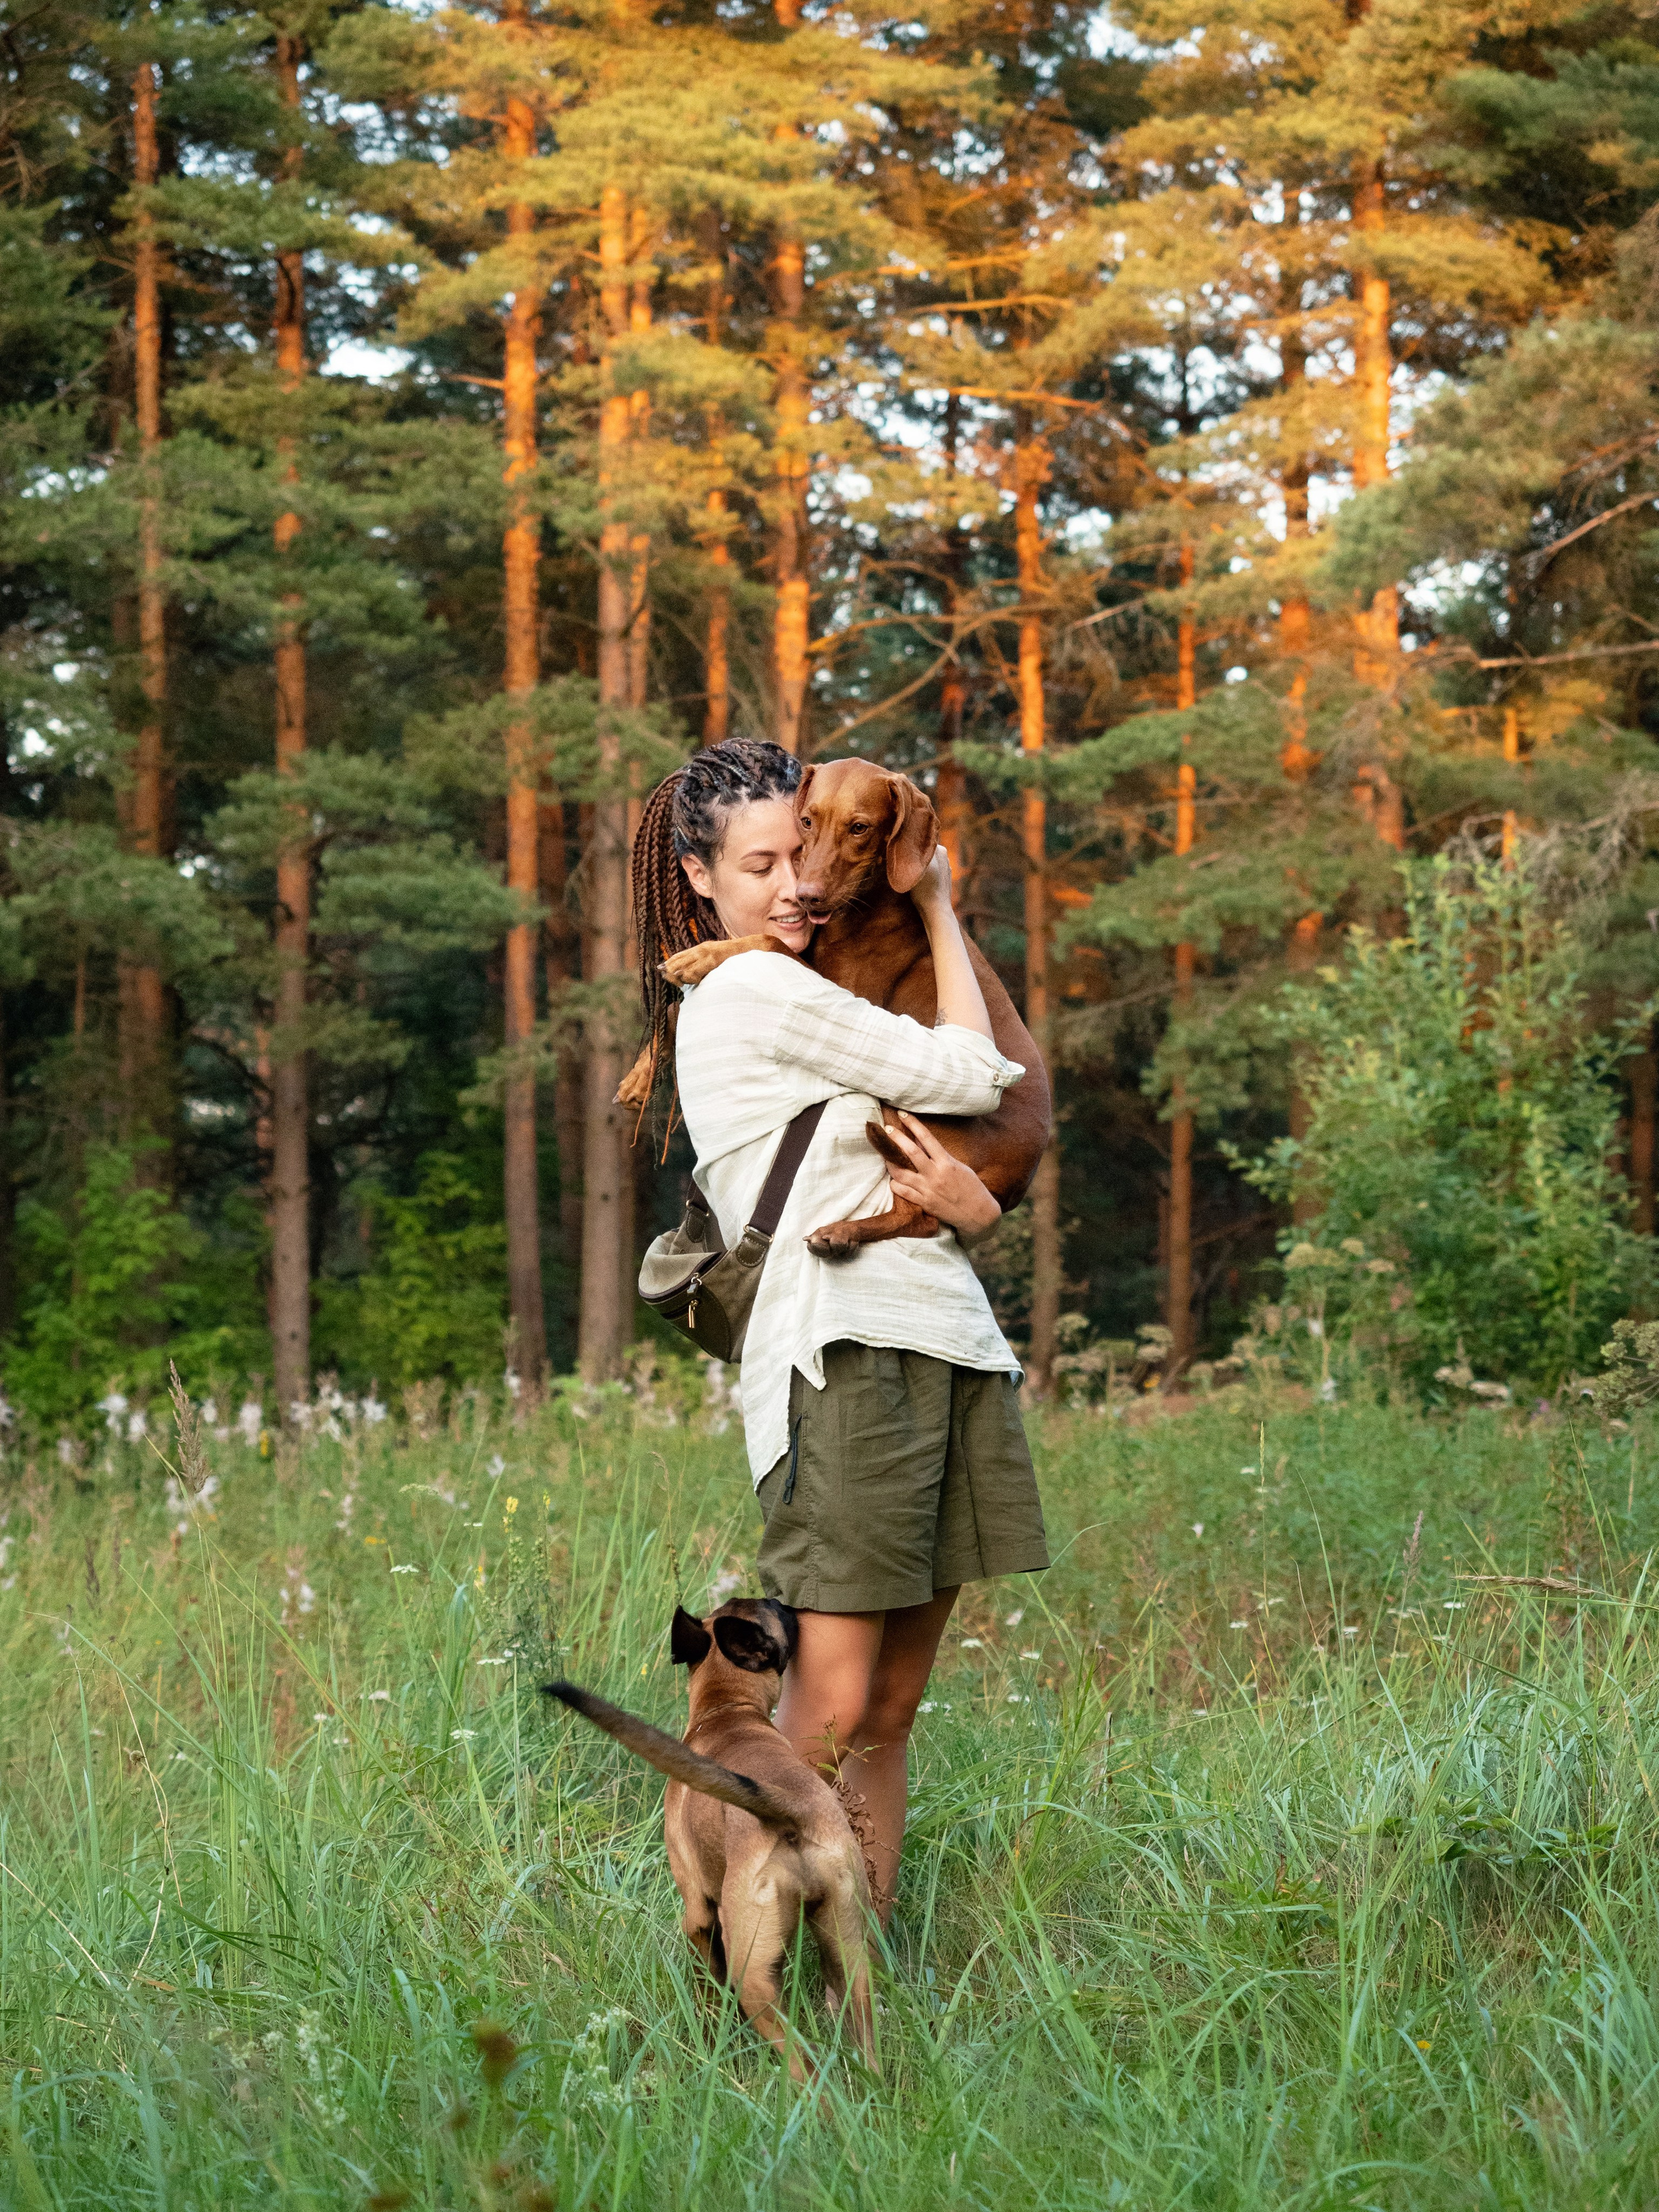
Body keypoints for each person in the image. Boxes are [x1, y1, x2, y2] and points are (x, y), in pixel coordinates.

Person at [632, 738, 1049, 1920]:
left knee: (892, 1710)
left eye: (806, 852)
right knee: (825, 1706)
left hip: (943, 1342)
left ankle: (863, 1981)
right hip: (844, 1360)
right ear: (701, 878)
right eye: (763, 863)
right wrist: (940, 902)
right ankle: (757, 1981)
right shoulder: (756, 988)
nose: (799, 884)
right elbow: (977, 1072)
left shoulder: (827, 990)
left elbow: (940, 1157)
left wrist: (973, 1210)